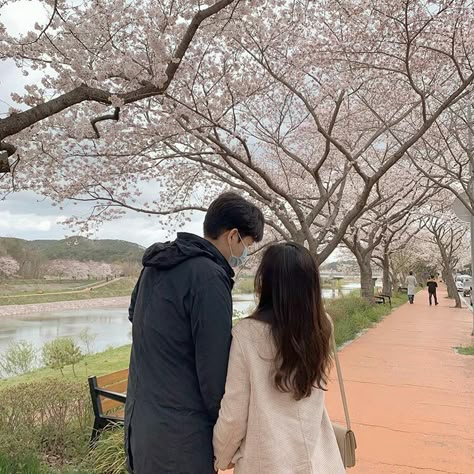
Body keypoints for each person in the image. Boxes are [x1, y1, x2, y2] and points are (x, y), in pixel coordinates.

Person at [124, 192, 264, 474]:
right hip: (182, 437)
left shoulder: (155, 265)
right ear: (233, 236)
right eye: (247, 246)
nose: (244, 255)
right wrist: (227, 435)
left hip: (140, 424)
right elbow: (213, 372)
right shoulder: (209, 276)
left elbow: (134, 317)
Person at [213, 243, 345, 474]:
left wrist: (221, 456)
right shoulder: (322, 324)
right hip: (318, 458)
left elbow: (234, 411)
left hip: (268, 460)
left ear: (266, 282)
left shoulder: (247, 334)